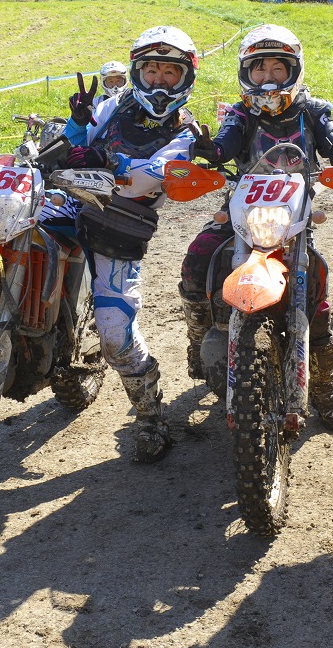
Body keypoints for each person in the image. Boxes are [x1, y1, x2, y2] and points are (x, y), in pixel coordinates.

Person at [180, 24, 333, 433]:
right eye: (259, 68)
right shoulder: (240, 113)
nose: (268, 77)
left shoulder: (313, 110)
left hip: (294, 218)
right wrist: (210, 150)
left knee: (317, 301)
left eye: (277, 68)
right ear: (246, 73)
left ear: (293, 70)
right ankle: (198, 337)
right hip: (242, 210)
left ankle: (325, 393)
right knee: (198, 258)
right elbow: (225, 144)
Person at [52, 26, 204, 463]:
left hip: (120, 221)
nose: (159, 81)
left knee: (115, 333)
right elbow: (71, 148)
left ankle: (151, 417)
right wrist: (77, 123)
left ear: (185, 78)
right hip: (69, 199)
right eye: (151, 70)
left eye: (169, 73)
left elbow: (149, 176)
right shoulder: (112, 106)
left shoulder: (188, 130)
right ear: (137, 72)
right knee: (3, 222)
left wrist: (106, 159)